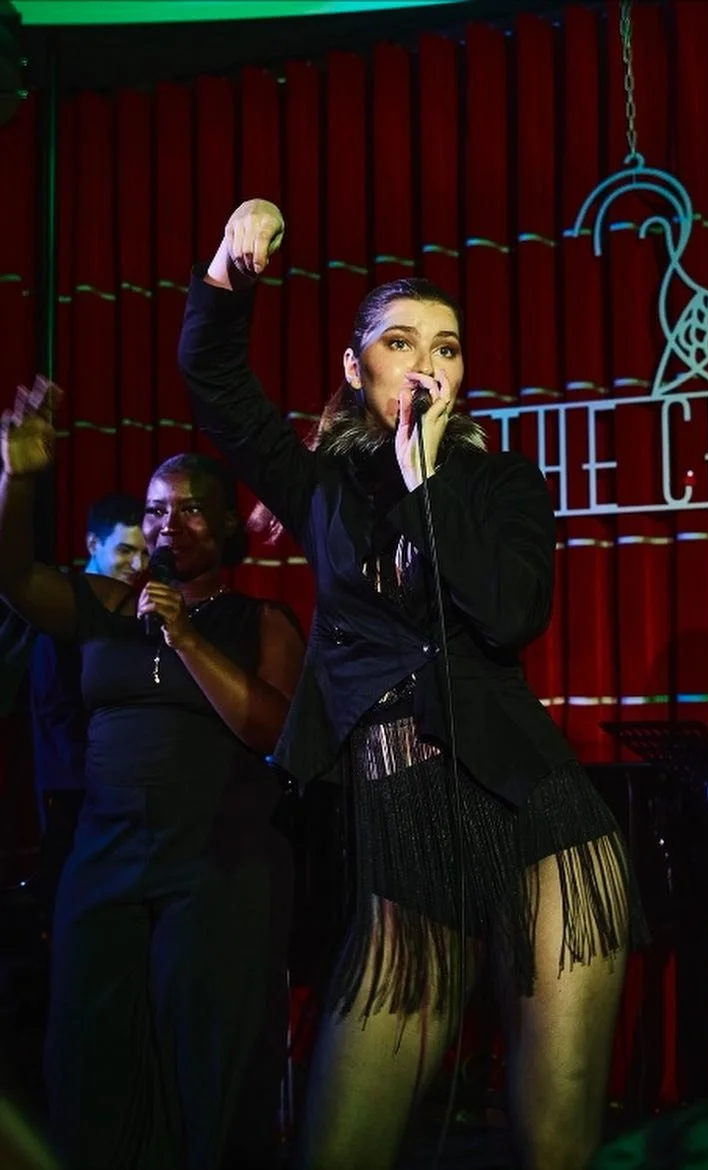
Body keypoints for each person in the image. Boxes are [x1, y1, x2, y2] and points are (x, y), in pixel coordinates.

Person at [178, 198, 645, 1170]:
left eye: (447, 347)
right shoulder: (320, 487)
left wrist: (429, 481)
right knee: (340, 1144)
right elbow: (213, 379)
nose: (426, 362)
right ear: (356, 370)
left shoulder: (500, 487)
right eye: (400, 342)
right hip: (405, 829)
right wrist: (231, 255)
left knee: (553, 1144)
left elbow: (511, 615)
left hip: (540, 820)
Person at [0, 376, 306, 1170]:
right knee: (89, 1056)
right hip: (106, 857)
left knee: (206, 1063)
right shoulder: (106, 605)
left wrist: (186, 638)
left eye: (191, 509)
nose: (170, 523)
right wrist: (17, 479)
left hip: (216, 863)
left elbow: (274, 731)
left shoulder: (260, 621)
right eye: (157, 510)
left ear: (228, 525)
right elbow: (16, 578)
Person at [29, 492, 147, 927]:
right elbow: (59, 714)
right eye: (126, 550)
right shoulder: (64, 612)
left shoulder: (125, 613)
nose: (137, 565)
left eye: (144, 553)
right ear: (93, 544)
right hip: (76, 792)